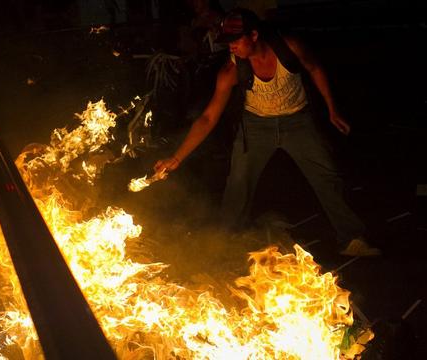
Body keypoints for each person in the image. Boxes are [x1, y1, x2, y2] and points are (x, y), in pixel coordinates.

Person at [154, 7, 381, 256]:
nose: (231, 47)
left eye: (236, 40)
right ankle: (226, 242)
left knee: (327, 176)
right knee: (238, 183)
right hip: (256, 126)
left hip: (298, 121)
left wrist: (332, 109)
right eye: (227, 42)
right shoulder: (231, 70)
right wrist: (176, 158)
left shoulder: (289, 47)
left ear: (253, 35)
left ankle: (351, 239)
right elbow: (208, 117)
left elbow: (314, 68)